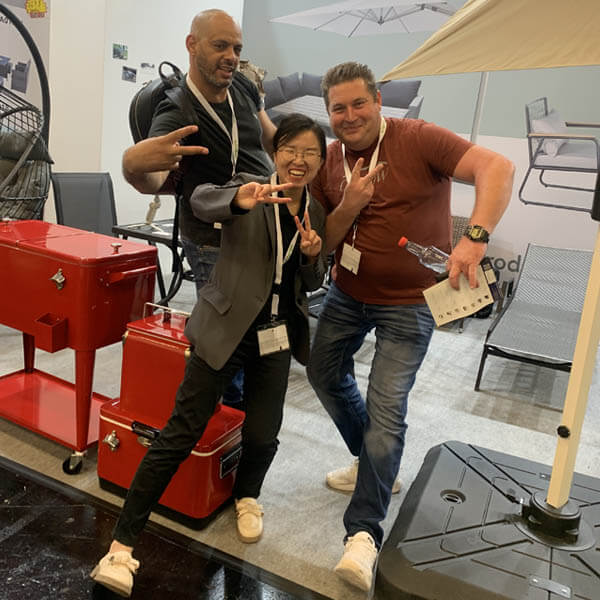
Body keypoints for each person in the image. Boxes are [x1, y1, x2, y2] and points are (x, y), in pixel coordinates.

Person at [91, 113, 328, 598]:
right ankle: (122, 544)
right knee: (180, 433)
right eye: (291, 149)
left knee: (263, 433)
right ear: (276, 153)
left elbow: (310, 282)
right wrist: (239, 200)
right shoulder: (248, 188)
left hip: (277, 336)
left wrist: (311, 256)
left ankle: (247, 495)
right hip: (226, 329)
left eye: (310, 153)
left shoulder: (315, 212)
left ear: (321, 162)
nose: (299, 160)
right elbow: (200, 200)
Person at [306, 62, 515, 592]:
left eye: (359, 103)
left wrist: (475, 238)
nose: (349, 116)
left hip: (408, 305)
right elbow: (326, 240)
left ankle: (363, 533)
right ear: (328, 112)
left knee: (386, 412)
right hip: (346, 294)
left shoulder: (418, 139)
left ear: (378, 101)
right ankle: (372, 463)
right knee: (323, 374)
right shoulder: (330, 159)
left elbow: (497, 167)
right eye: (338, 108)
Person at [121, 8, 277, 405]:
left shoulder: (243, 87)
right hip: (213, 241)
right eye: (220, 45)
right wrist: (133, 166)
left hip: (263, 229)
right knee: (227, 345)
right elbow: (153, 179)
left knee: (257, 335)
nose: (231, 57)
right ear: (192, 45)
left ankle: (242, 421)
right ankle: (230, 424)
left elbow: (269, 139)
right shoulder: (176, 109)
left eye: (237, 48)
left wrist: (304, 156)